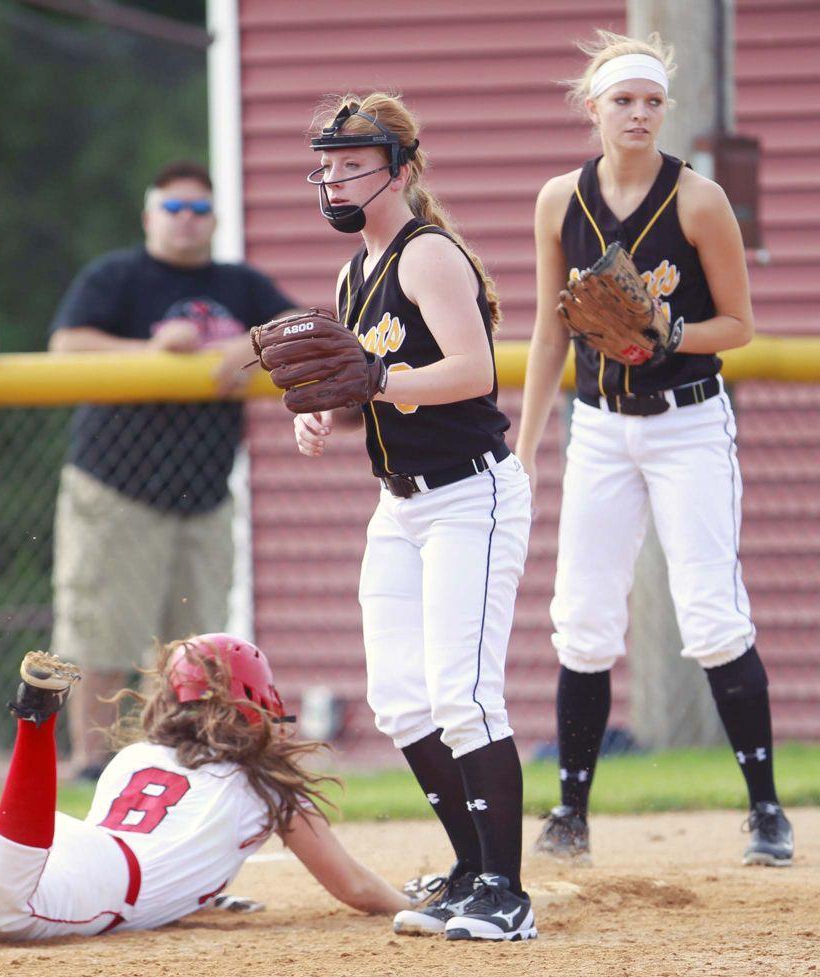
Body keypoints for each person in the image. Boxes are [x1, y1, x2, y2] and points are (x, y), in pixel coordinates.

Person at [514, 31, 793, 868]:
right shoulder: (559, 200)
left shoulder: (698, 200)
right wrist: (525, 444)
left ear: (664, 111)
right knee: (584, 620)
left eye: (651, 101)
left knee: (710, 613)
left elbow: (738, 326)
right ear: (592, 109)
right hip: (599, 426)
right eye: (622, 100)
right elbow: (547, 328)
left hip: (688, 422)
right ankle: (571, 812)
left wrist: (673, 329)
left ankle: (767, 809)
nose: (638, 113)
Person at [0, 596, 415, 940]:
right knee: (1, 916)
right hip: (82, 871)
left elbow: (180, 835)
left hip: (39, 839)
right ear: (255, 704)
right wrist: (413, 905)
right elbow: (354, 887)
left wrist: (205, 893)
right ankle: (37, 719)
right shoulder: (262, 782)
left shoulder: (137, 755)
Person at [293, 92, 535, 941]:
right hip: (399, 506)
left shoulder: (426, 255)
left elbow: (473, 372)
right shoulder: (353, 271)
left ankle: (506, 895)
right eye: (326, 163)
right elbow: (369, 393)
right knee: (400, 698)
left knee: (465, 694)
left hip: (472, 493)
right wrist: (326, 410)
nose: (333, 177)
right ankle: (471, 867)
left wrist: (375, 384)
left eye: (352, 161)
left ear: (400, 168)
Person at [47, 160, 295, 779]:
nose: (187, 222)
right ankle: (93, 761)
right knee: (102, 629)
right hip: (117, 487)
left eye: (199, 210)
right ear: (149, 215)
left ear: (214, 219)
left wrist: (256, 343)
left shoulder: (240, 286)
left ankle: (183, 757)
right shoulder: (118, 276)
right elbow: (66, 345)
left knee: (198, 640)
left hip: (204, 492)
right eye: (174, 209)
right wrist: (149, 352)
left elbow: (308, 325)